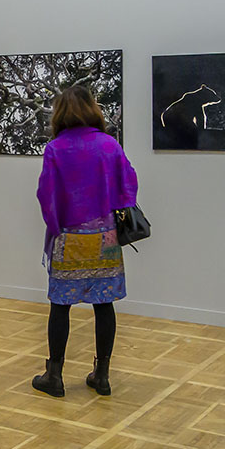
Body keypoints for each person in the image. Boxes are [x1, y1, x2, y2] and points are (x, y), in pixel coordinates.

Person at [32, 86, 138, 398]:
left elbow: (46, 195)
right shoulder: (108, 144)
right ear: (92, 109)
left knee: (60, 306)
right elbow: (129, 183)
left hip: (70, 235)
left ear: (60, 113)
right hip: (105, 235)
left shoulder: (55, 148)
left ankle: (55, 376)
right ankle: (102, 375)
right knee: (104, 304)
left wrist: (55, 227)